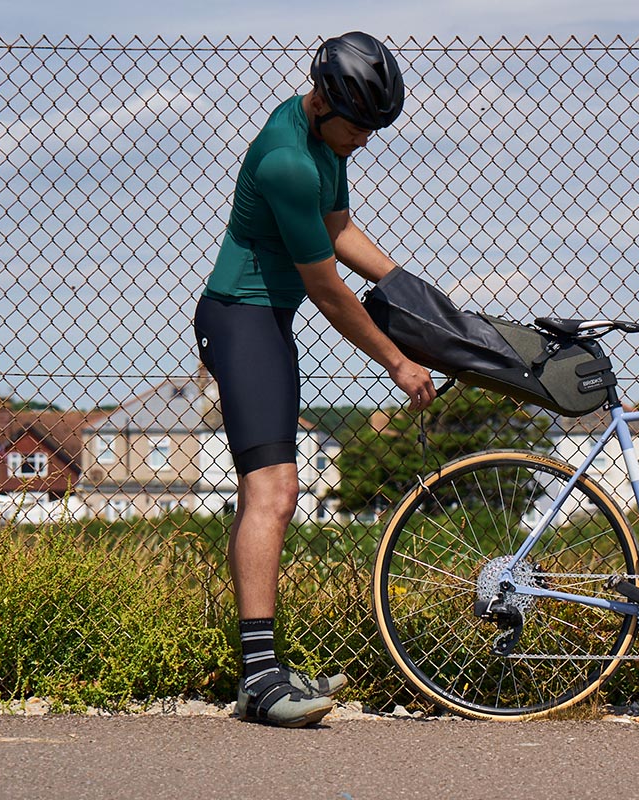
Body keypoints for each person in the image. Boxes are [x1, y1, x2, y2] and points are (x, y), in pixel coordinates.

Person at [193, 32, 436, 728]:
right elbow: (328, 290)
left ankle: (261, 672)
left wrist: (406, 287)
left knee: (274, 489)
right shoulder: (288, 161)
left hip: (266, 321)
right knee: (273, 489)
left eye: (374, 128)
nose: (364, 140)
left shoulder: (324, 141)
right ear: (324, 98)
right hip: (242, 317)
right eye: (358, 125)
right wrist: (395, 359)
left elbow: (338, 228)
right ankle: (261, 683)